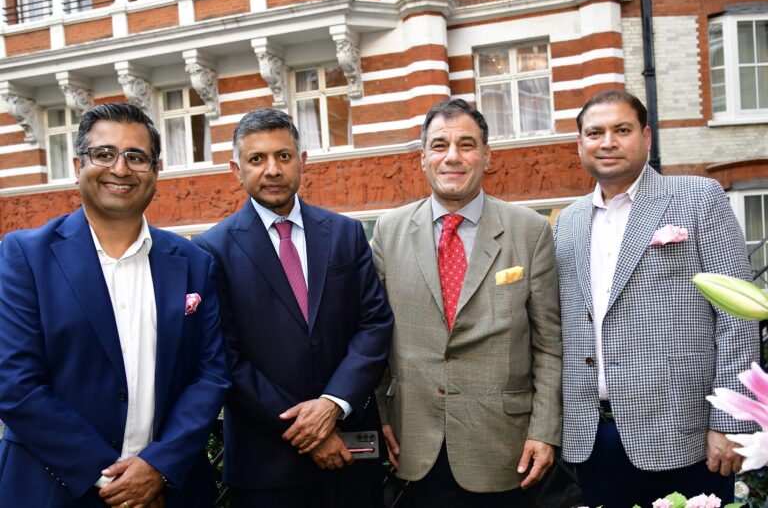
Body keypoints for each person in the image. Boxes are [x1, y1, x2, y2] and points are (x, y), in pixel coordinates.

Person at [0, 103, 230, 507]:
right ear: (78, 164)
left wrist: (157, 468)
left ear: (156, 171)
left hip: (169, 490)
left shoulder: (194, 263)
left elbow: (209, 376)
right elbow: (14, 384)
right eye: (104, 154)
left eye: (136, 157)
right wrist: (110, 479)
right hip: (53, 488)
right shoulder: (24, 256)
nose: (120, 169)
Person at [553, 89, 759, 507]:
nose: (607, 141)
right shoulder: (567, 221)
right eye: (594, 133)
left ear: (646, 136)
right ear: (580, 144)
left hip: (683, 432)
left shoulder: (698, 198)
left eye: (621, 130)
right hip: (593, 436)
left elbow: (737, 316)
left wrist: (730, 423)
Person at [193, 109, 394, 507]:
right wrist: (308, 429)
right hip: (266, 464)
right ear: (237, 169)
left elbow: (374, 324)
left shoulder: (345, 234)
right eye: (257, 159)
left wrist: (332, 405)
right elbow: (224, 357)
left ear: (302, 162)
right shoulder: (210, 250)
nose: (272, 169)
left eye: (283, 156)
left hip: (350, 453)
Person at [371, 99, 562, 507]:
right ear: (422, 158)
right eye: (439, 145)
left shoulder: (529, 231)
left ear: (487, 156)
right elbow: (374, 334)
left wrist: (544, 430)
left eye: (466, 145)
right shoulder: (389, 230)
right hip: (413, 442)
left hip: (503, 449)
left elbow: (548, 345)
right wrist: (382, 417)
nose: (452, 157)